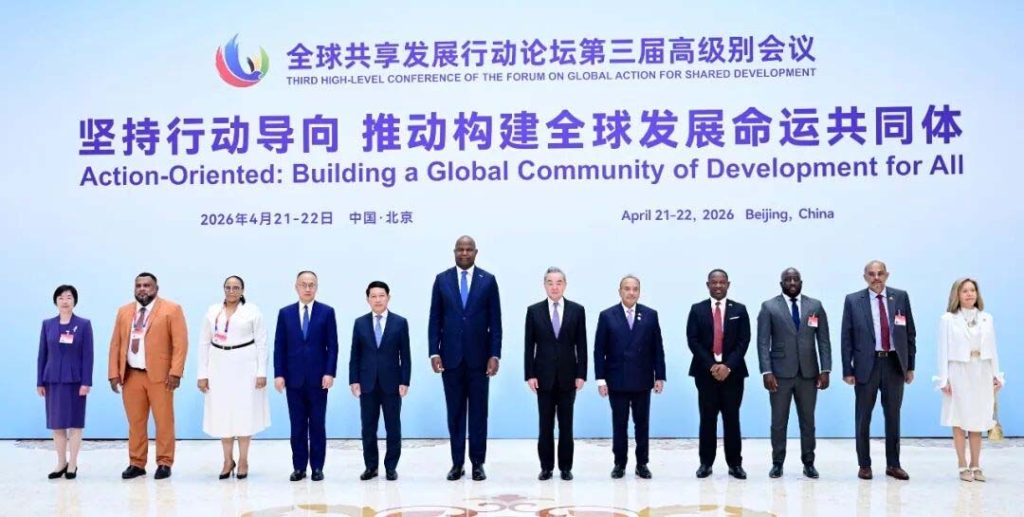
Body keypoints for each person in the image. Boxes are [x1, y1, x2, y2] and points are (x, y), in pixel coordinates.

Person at [428, 235, 502, 481]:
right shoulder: (442, 280)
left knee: (479, 413)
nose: (464, 253)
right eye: (460, 249)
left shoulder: (488, 280)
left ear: (475, 252)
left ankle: (478, 464)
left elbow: (495, 322)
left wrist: (494, 354)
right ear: (454, 252)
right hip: (450, 359)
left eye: (469, 249)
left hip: (480, 359)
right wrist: (434, 351)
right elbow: (435, 319)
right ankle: (457, 463)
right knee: (455, 413)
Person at [107, 272, 188, 480]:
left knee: (164, 422)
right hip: (131, 375)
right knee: (135, 423)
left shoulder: (171, 309)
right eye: (139, 285)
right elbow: (115, 344)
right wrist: (113, 373)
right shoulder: (124, 311)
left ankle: (164, 462)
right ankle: (136, 463)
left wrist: (176, 372)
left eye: (147, 285)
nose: (142, 289)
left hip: (161, 377)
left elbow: (180, 344)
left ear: (156, 289)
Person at [841, 260, 915, 481]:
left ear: (887, 275)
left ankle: (893, 464)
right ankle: (864, 465)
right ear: (865, 277)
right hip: (867, 365)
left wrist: (909, 366)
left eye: (880, 273)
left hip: (894, 364)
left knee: (893, 416)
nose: (876, 278)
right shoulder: (853, 300)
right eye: (871, 274)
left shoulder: (900, 297)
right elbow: (846, 337)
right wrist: (847, 369)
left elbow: (909, 333)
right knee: (863, 417)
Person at [755, 268, 831, 479]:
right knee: (779, 422)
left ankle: (809, 463)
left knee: (808, 421)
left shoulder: (815, 305)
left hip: (809, 374)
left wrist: (825, 369)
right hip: (779, 374)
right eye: (787, 279)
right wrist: (766, 371)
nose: (791, 282)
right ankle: (777, 463)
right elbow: (763, 342)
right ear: (781, 283)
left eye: (795, 279)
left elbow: (823, 340)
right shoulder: (769, 306)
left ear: (801, 282)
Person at [196, 275, 270, 480]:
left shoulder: (252, 311)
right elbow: (203, 343)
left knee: (244, 412)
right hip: (218, 366)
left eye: (236, 287)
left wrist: (261, 372)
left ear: (242, 290)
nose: (231, 291)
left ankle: (243, 460)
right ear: (223, 289)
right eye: (228, 287)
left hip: (245, 367)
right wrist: (202, 374)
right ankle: (227, 460)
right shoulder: (213, 311)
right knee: (223, 413)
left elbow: (262, 343)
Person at [594, 274, 666, 480]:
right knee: (619, 424)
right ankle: (619, 463)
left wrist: (660, 376)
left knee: (642, 424)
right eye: (627, 288)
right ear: (620, 291)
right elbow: (599, 350)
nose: (631, 292)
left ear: (639, 292)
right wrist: (601, 379)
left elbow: (657, 348)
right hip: (617, 380)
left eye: (635, 289)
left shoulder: (650, 315)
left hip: (642, 379)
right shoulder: (607, 316)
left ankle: (642, 463)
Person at [935, 278, 1004, 482]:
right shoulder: (948, 319)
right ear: (957, 294)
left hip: (982, 371)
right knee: (959, 419)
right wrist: (944, 379)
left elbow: (993, 349)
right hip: (958, 371)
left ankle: (976, 464)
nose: (969, 294)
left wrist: (997, 375)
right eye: (964, 290)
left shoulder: (986, 318)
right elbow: (942, 351)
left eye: (972, 290)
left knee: (978, 419)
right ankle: (962, 464)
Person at [274, 271, 338, 482]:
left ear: (316, 287)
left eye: (312, 285)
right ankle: (299, 467)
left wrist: (329, 372)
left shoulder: (326, 312)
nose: (308, 288)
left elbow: (333, 346)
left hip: (319, 379)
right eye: (304, 284)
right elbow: (279, 346)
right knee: (297, 426)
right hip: (293, 379)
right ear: (296, 287)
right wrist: (279, 374)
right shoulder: (285, 313)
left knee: (317, 424)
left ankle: (317, 467)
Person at [524, 267, 587, 481]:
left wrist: (581, 374)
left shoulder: (577, 310)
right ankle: (546, 467)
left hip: (569, 377)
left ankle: (566, 467)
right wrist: (530, 374)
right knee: (545, 425)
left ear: (565, 285)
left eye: (559, 282)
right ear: (544, 285)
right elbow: (529, 346)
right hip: (543, 378)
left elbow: (582, 345)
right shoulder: (534, 311)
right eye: (550, 282)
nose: (554, 287)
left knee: (566, 425)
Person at [686, 269, 750, 480]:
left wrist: (727, 366)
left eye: (722, 282)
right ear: (708, 285)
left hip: (733, 374)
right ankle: (706, 463)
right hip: (706, 374)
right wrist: (712, 365)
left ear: (728, 285)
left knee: (732, 419)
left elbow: (744, 340)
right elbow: (693, 340)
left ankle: (735, 464)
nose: (718, 286)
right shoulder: (697, 309)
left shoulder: (739, 309)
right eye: (714, 282)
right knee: (707, 419)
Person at [349, 281, 411, 481]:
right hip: (367, 383)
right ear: (368, 299)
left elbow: (405, 355)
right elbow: (355, 354)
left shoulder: (400, 322)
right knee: (368, 427)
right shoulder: (360, 323)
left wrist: (405, 381)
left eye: (381, 295)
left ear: (388, 297)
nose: (378, 300)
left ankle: (391, 467)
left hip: (392, 383)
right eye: (373, 296)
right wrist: (354, 380)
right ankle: (371, 467)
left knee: (393, 427)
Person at [37, 284, 94, 480]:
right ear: (55, 301)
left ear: (74, 301)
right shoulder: (47, 325)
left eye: (69, 297)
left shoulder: (83, 324)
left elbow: (88, 356)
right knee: (57, 423)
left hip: (75, 381)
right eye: (61, 297)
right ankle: (61, 462)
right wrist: (39, 381)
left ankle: (73, 463)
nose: (65, 301)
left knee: (75, 423)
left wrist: (86, 382)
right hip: (52, 380)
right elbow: (42, 355)